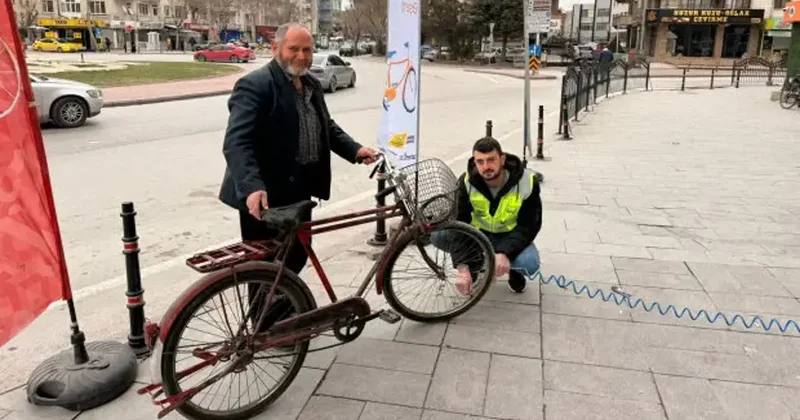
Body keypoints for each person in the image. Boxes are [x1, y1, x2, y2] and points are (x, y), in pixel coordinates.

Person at [218, 23, 379, 328]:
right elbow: (237, 142)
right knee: (263, 266)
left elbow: (326, 127)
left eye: (307, 50)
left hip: (298, 190)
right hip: (265, 196)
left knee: (296, 255)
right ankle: (262, 328)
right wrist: (252, 186)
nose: (302, 56)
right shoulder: (256, 85)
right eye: (294, 49)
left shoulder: (311, 85)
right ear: (276, 49)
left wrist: (356, 150)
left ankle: (279, 314)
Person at [433, 137, 542, 294]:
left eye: (491, 160)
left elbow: (529, 225)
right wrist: (462, 267)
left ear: (502, 159)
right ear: (475, 162)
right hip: (478, 235)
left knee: (529, 263)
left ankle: (513, 270)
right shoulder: (466, 182)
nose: (486, 166)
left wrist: (506, 253)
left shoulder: (527, 182)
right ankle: (474, 263)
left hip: (509, 235)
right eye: (480, 162)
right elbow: (459, 223)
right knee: (439, 235)